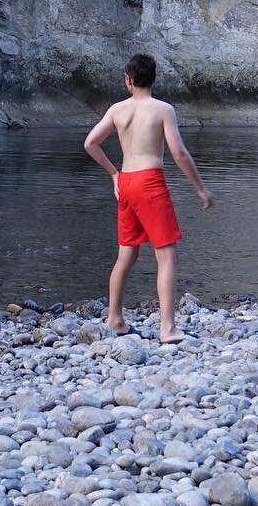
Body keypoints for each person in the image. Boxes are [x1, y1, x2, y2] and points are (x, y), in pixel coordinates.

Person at [83, 52, 211, 343]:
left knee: (126, 254)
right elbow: (178, 152)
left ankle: (114, 319)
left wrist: (114, 174)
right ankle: (167, 328)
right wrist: (201, 189)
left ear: (128, 80)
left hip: (126, 181)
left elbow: (90, 143)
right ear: (153, 79)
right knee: (166, 256)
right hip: (150, 182)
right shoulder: (163, 109)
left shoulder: (117, 110)